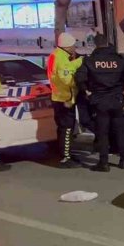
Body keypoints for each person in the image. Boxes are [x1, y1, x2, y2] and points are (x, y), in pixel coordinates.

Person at [75, 33, 124, 171]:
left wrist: (86, 91)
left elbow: (79, 78)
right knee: (120, 131)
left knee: (103, 132)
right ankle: (123, 161)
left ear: (96, 44)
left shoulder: (90, 60)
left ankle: (104, 163)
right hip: (117, 99)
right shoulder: (119, 59)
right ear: (108, 43)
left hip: (100, 100)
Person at [48, 32, 84, 167]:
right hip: (65, 98)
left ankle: (65, 153)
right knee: (67, 128)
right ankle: (65, 158)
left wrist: (75, 62)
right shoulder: (61, 59)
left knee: (62, 128)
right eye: (73, 46)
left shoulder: (55, 55)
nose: (75, 48)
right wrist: (80, 65)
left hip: (58, 96)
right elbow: (67, 78)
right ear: (68, 46)